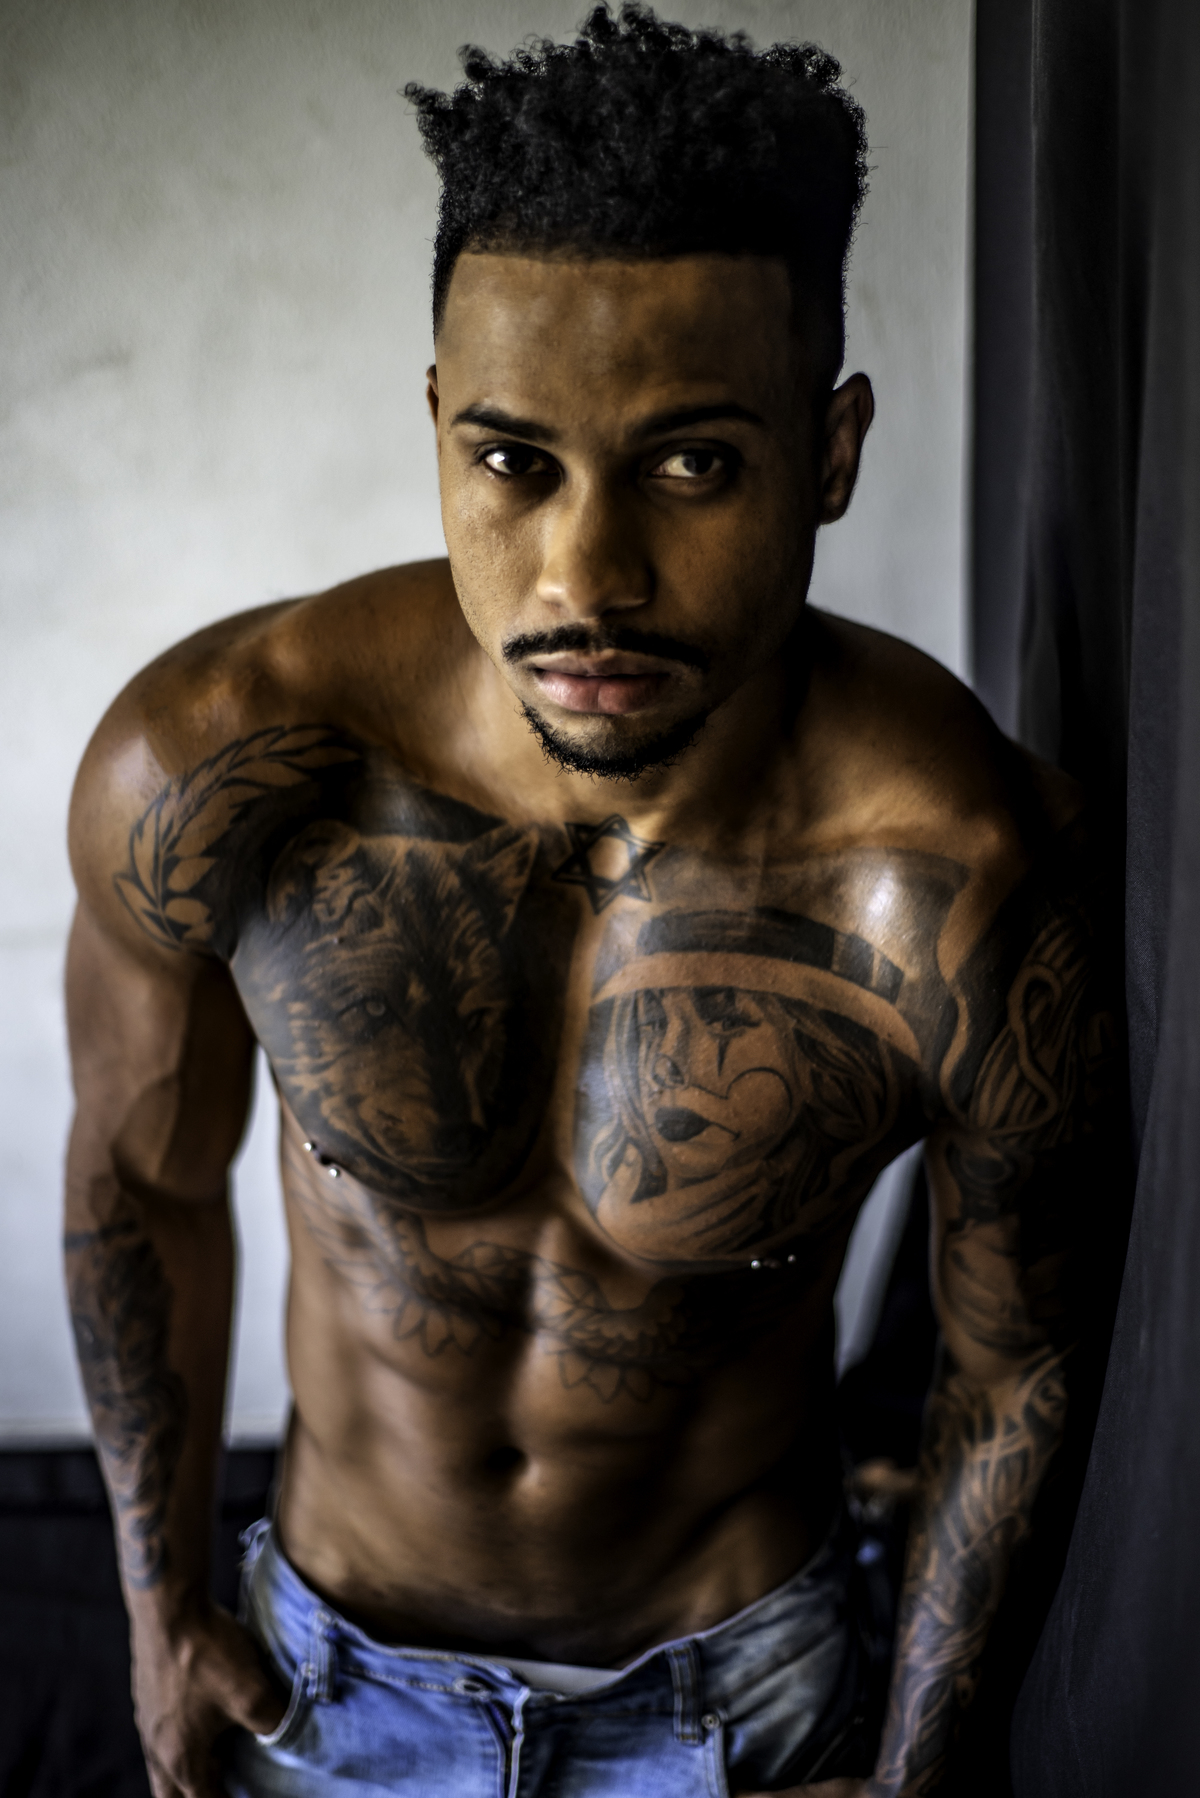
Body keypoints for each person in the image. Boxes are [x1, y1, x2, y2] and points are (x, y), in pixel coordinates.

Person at [63, 6, 1118, 1795]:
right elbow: (138, 1184)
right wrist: (161, 1610)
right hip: (317, 1685)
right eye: (512, 462)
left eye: (692, 463)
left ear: (832, 450)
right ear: (436, 424)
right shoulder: (220, 773)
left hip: (741, 1711)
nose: (586, 574)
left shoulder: (957, 876)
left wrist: (918, 1771)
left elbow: (1011, 1368)